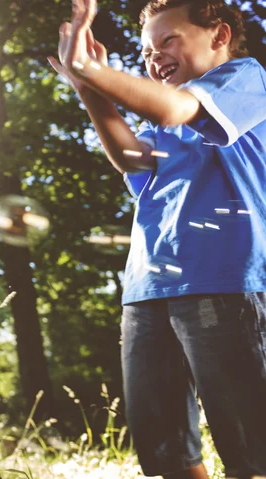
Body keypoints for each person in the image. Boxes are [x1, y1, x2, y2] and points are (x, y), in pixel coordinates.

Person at [48, 0, 266, 478]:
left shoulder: (246, 80)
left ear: (220, 36)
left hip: (225, 284)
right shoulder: (168, 122)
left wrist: (90, 67)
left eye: (167, 41)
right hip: (148, 291)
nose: (154, 57)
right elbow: (130, 157)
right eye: (147, 51)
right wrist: (88, 88)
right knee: (168, 453)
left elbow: (173, 109)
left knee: (251, 450)